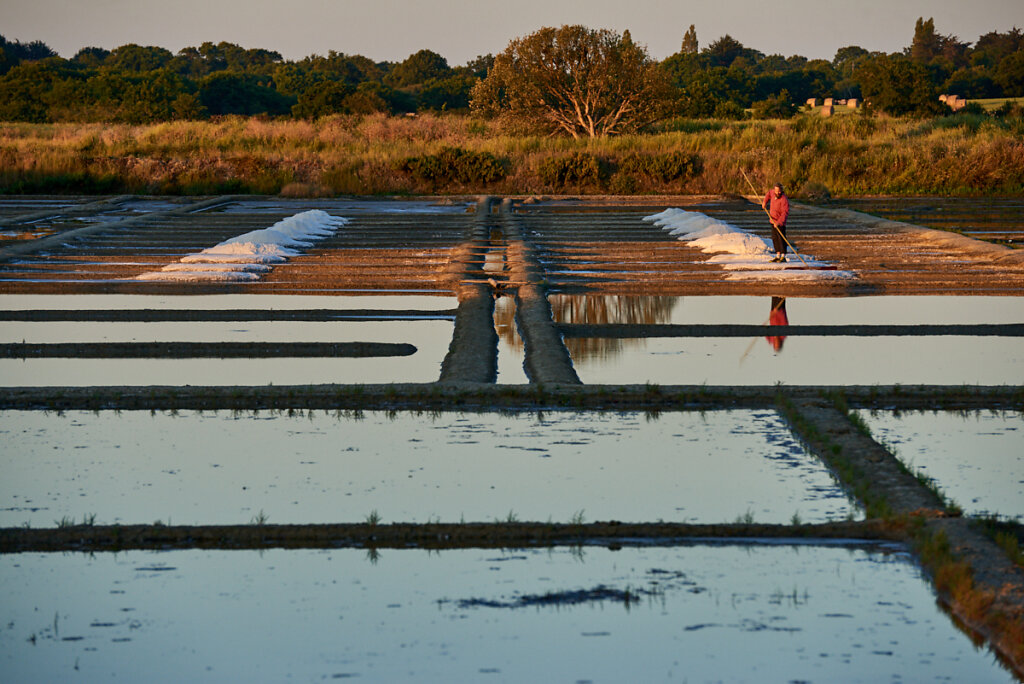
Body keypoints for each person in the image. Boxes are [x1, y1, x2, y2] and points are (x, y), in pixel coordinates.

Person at [762, 183, 790, 263]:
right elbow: (768, 195)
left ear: (781, 190)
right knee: (775, 238)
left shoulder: (784, 199)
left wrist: (778, 222)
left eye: (779, 191)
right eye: (776, 191)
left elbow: (785, 213)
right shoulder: (772, 192)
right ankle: (777, 255)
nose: (777, 192)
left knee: (781, 238)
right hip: (772, 220)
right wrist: (764, 202)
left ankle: (783, 256)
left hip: (780, 222)